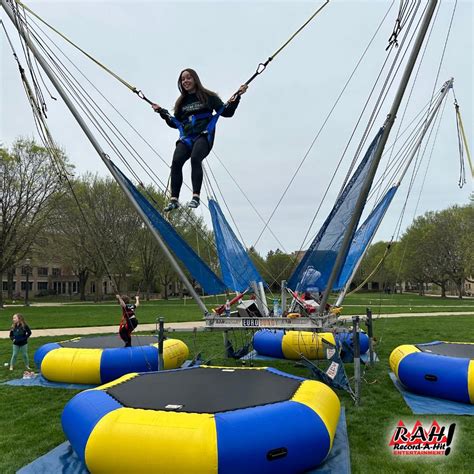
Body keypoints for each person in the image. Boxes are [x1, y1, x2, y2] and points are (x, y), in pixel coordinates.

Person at [152, 68, 248, 211]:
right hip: (187, 138)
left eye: (188, 78)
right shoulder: (181, 102)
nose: (186, 81)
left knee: (195, 158)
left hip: (204, 135)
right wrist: (162, 113)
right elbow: (175, 123)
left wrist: (238, 95)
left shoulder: (208, 96)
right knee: (176, 161)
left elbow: (227, 112)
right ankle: (174, 199)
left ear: (195, 79)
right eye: (183, 79)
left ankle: (195, 196)